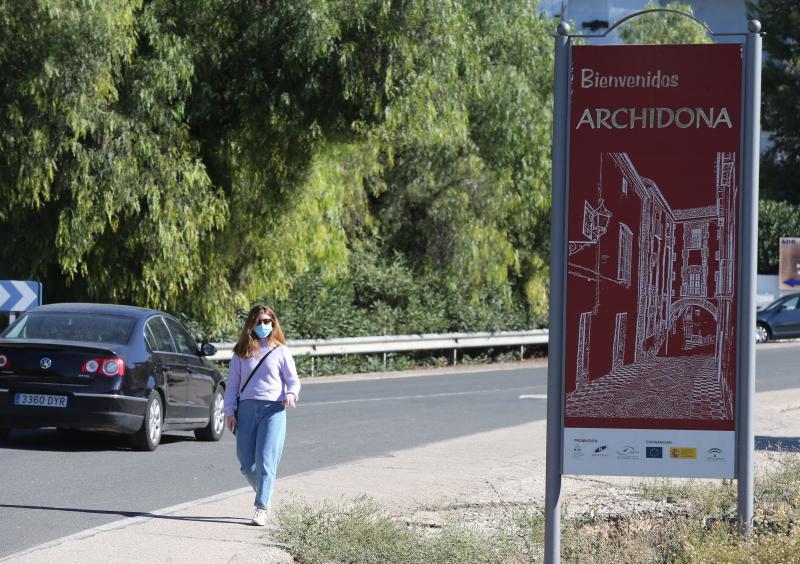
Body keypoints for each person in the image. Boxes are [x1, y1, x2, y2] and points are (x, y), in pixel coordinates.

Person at [224, 305, 300, 526]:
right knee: (246, 464)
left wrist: (291, 394)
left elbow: (293, 380)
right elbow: (232, 386)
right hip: (246, 409)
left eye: (268, 321)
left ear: (273, 323)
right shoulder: (241, 352)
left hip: (273, 410)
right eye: (260, 321)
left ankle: (262, 507)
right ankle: (265, 488)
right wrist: (230, 410)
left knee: (266, 459)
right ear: (251, 324)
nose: (264, 325)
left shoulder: (281, 351)